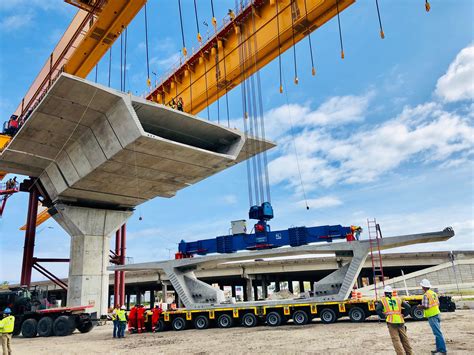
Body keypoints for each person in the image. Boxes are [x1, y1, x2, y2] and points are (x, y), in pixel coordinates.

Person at [376, 286, 413, 355]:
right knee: (404, 339)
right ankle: (410, 353)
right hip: (400, 321)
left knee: (396, 340)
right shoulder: (398, 299)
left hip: (391, 322)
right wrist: (404, 315)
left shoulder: (383, 300)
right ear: (391, 293)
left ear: (385, 293)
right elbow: (408, 307)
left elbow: (378, 310)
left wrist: (384, 316)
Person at [417, 279, 446, 354]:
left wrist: (420, 306)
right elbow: (438, 303)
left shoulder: (426, 295)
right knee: (437, 333)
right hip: (437, 313)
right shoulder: (433, 293)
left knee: (438, 333)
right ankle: (439, 349)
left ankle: (442, 351)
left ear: (423, 287)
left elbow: (426, 306)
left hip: (432, 316)